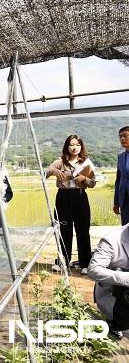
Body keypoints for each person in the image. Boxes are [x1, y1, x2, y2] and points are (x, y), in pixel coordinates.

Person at [46, 135, 95, 274]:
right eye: (72, 144)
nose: (75, 147)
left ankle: (85, 263)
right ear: (67, 146)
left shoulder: (86, 163)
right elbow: (45, 173)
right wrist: (54, 170)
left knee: (83, 230)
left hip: (80, 196)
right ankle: (63, 261)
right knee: (64, 230)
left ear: (81, 147)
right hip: (63, 197)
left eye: (78, 145)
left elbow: (93, 183)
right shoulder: (60, 161)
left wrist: (85, 178)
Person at [88, 224, 129, 339]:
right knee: (123, 319)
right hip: (114, 295)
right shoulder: (112, 240)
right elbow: (93, 270)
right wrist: (126, 278)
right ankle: (114, 323)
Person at [114, 126, 129, 225]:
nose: (122, 139)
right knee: (126, 231)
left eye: (125, 136)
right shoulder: (120, 157)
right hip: (125, 200)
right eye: (120, 137)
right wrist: (116, 202)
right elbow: (118, 181)